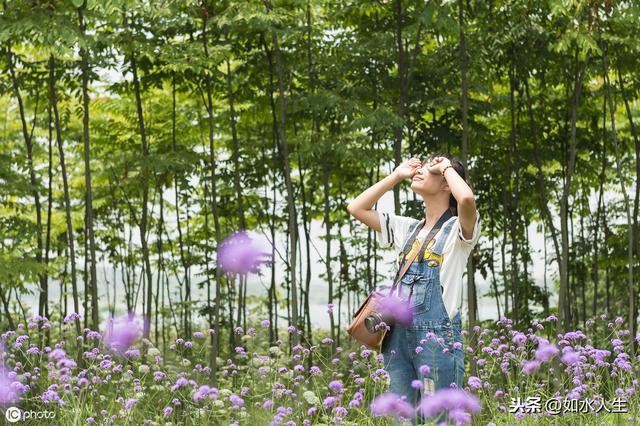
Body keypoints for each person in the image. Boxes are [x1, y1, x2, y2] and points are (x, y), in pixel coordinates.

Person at [346, 154, 481, 423]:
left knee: (438, 419)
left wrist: (445, 167)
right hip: (396, 338)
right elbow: (356, 208)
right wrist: (397, 175)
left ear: (445, 184)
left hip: (437, 340)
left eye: (430, 168)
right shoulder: (407, 228)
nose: (420, 170)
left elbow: (466, 199)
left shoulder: (458, 231)